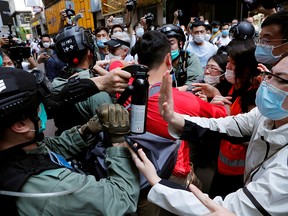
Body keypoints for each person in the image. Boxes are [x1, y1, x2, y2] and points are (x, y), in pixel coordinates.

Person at [153, 52, 288, 214]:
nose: (266, 84)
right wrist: (174, 118)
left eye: (279, 79)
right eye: (269, 75)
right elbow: (222, 125)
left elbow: (227, 210)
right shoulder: (263, 116)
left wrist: (156, 183)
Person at [0, 67, 140, 215]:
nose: (43, 109)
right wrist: (118, 142)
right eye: (38, 106)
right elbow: (121, 201)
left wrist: (86, 130)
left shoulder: (15, 147)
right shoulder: (52, 188)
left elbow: (49, 148)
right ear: (20, 125)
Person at [132, 30, 227, 216]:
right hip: (173, 175)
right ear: (169, 59)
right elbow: (222, 117)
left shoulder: (123, 89)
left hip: (135, 175)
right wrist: (216, 95)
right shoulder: (180, 100)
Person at [159, 24, 203, 91]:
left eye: (171, 43)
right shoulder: (157, 61)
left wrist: (173, 91)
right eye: (163, 44)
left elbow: (194, 84)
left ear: (180, 44)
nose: (167, 48)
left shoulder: (189, 58)